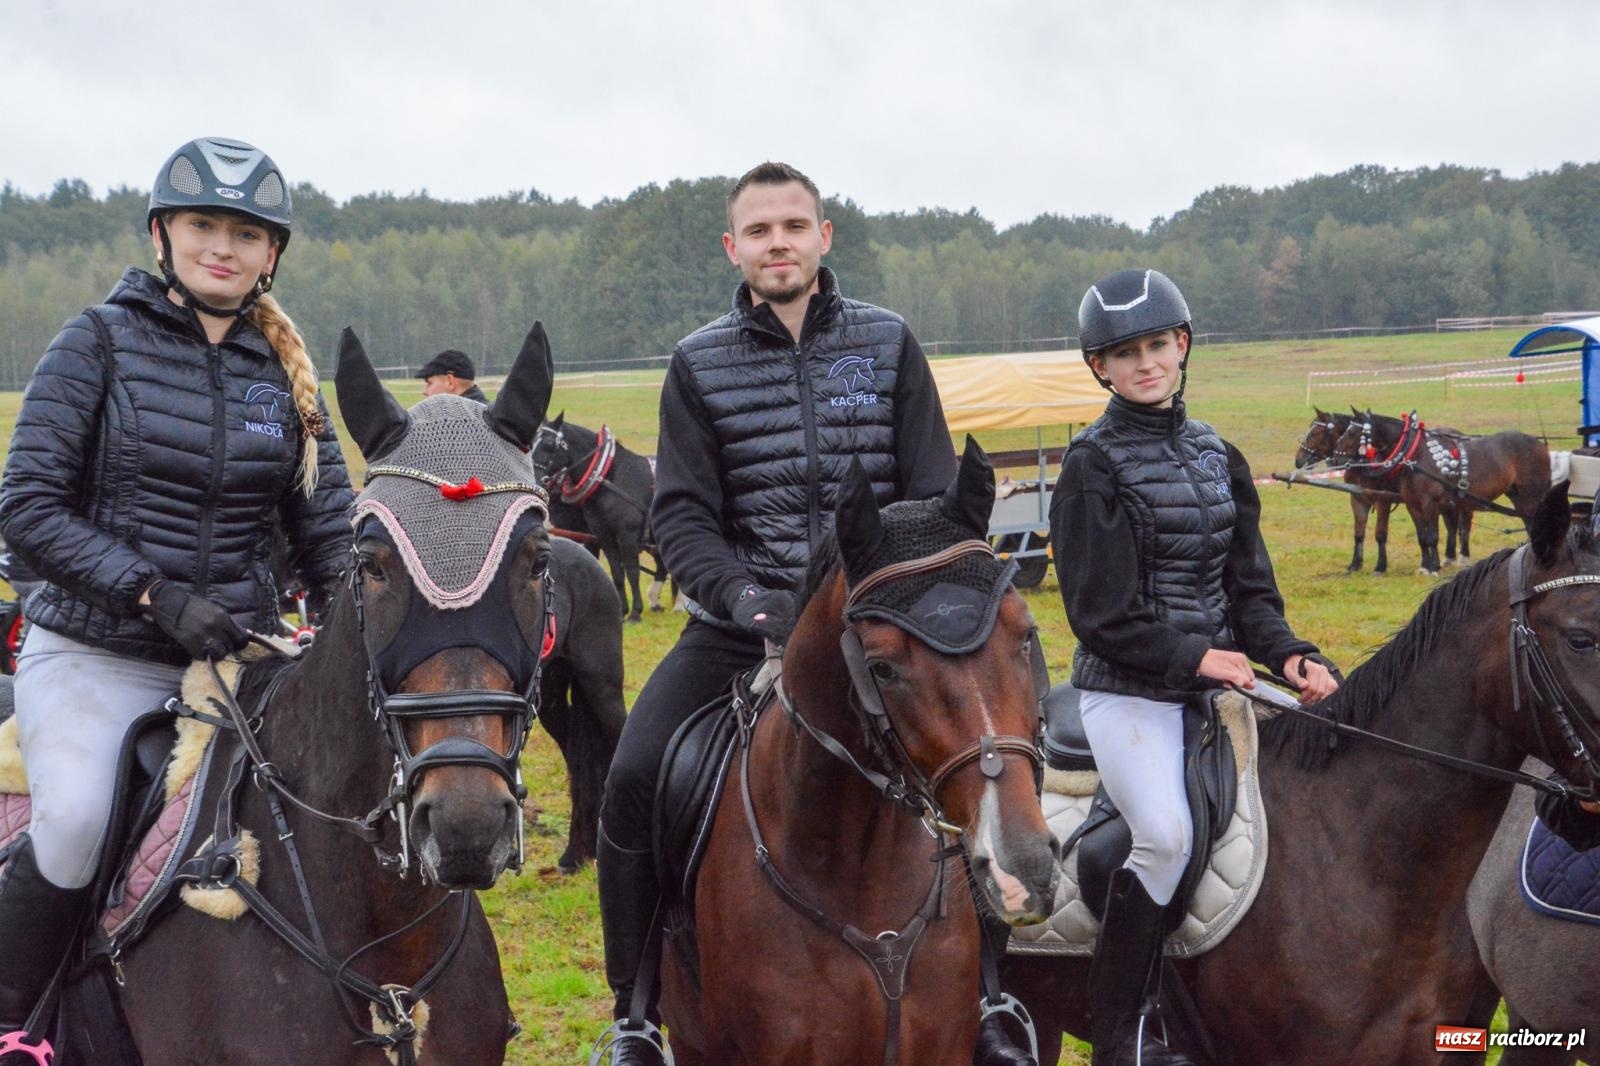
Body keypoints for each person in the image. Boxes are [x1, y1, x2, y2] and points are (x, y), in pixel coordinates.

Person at [591, 162, 961, 1065]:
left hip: (884, 629)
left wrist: (904, 595)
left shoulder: (887, 342)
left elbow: (935, 488)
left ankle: (992, 999)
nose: (778, 242)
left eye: (794, 225)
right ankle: (635, 1010)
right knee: (636, 775)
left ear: (824, 236)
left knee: (984, 765)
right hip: (738, 629)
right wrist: (747, 599)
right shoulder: (698, 361)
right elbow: (680, 514)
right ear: (734, 248)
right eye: (758, 231)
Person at [0, 137, 353, 1060]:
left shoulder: (286, 380)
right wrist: (153, 593)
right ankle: (13, 1022)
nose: (222, 247)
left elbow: (330, 535)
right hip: (94, 651)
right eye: (204, 225)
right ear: (163, 233)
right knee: (74, 823)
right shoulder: (95, 343)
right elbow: (27, 507)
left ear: (271, 254)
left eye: (245, 232)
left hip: (234, 662)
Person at [1050, 268, 1340, 1066]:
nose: (1145, 363)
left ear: (1182, 345)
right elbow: (1098, 615)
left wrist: (1291, 653)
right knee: (1169, 837)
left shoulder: (1219, 454)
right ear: (1099, 367)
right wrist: (1193, 656)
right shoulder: (1091, 466)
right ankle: (1125, 1028)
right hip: (1127, 693)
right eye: (1124, 353)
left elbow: (1250, 589)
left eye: (1157, 345)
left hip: (1216, 684)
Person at [416, 349, 489, 403]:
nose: (425, 392)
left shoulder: (451, 422)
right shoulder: (489, 417)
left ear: (450, 381)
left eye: (429, 383)